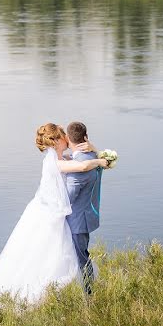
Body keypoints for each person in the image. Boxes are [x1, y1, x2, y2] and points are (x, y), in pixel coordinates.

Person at [0, 123, 107, 308]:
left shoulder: (62, 158)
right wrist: (99, 160)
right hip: (49, 214)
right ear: (56, 141)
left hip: (48, 211)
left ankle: (66, 293)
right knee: (42, 255)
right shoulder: (55, 163)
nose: (67, 138)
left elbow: (78, 162)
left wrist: (93, 149)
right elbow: (83, 166)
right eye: (63, 136)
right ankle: (41, 292)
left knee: (50, 254)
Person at [59, 121, 102, 295]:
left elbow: (69, 197)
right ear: (85, 138)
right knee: (82, 254)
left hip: (77, 220)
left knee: (81, 258)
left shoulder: (79, 168)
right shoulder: (92, 157)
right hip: (86, 215)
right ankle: (83, 290)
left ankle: (88, 295)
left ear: (68, 139)